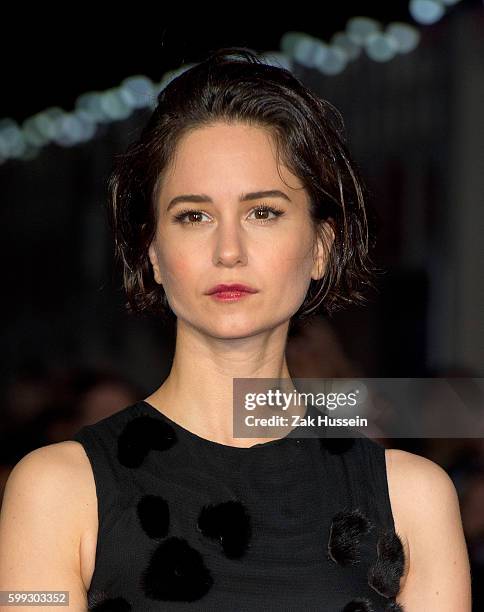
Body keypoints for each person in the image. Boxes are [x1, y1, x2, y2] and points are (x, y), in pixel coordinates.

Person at [0, 46, 471, 611]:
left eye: (263, 212)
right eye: (193, 216)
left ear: (322, 246)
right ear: (152, 251)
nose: (228, 250)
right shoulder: (58, 490)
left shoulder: (412, 497)